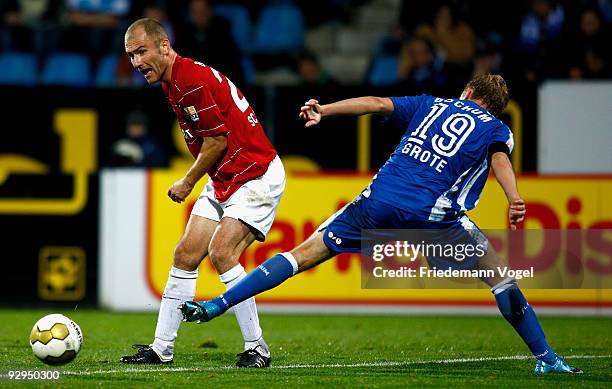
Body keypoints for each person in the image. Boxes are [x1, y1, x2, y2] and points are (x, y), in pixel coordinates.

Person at [181, 74, 583, 375]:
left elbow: (375, 102)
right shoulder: (497, 127)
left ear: (468, 92)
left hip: (379, 203)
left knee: (301, 255)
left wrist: (326, 110)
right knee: (500, 279)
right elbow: (499, 159)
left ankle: (218, 303)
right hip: (432, 218)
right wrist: (513, 197)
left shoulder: (433, 104)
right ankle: (546, 357)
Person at [120, 18, 285, 368]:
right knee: (185, 253)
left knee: (222, 251)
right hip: (226, 174)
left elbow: (216, 141)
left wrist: (186, 181)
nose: (136, 62)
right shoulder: (175, 81)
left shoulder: (189, 81)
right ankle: (161, 348)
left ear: (165, 46)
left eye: (141, 52)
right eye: (131, 55)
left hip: (255, 174)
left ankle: (258, 347)